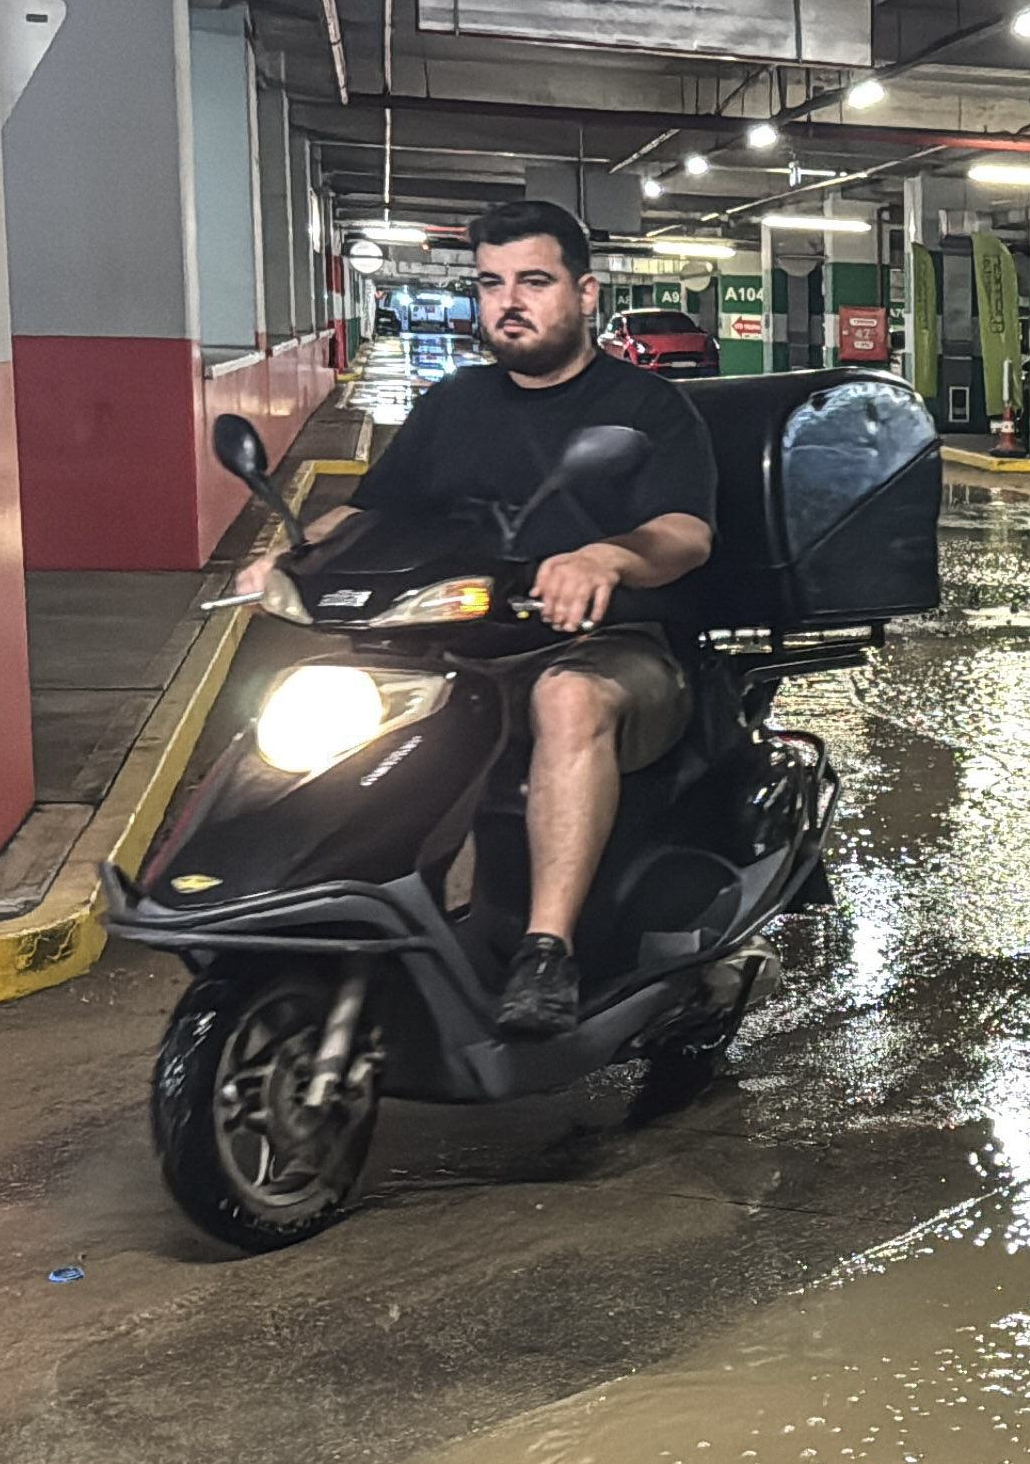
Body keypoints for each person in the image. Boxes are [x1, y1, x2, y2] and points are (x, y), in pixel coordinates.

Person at [234, 199, 718, 1036]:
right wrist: (293, 554)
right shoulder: (455, 404)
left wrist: (605, 558)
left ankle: (546, 951)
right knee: (325, 697)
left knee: (566, 699)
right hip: (459, 645)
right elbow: (369, 510)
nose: (509, 302)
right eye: (492, 284)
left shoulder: (648, 410)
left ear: (586, 292)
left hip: (611, 647)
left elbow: (686, 533)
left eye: (534, 281)